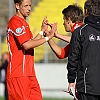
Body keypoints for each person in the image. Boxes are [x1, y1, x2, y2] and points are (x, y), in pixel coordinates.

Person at [6, 0, 57, 100]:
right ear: (17, 6)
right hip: (18, 74)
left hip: (29, 73)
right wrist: (48, 38)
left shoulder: (24, 23)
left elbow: (31, 42)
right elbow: (27, 45)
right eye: (25, 6)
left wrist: (42, 31)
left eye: (30, 5)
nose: (29, 8)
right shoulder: (15, 22)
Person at [67, 0, 100, 100]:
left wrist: (71, 81)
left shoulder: (80, 32)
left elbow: (73, 58)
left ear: (86, 11)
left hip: (87, 86)